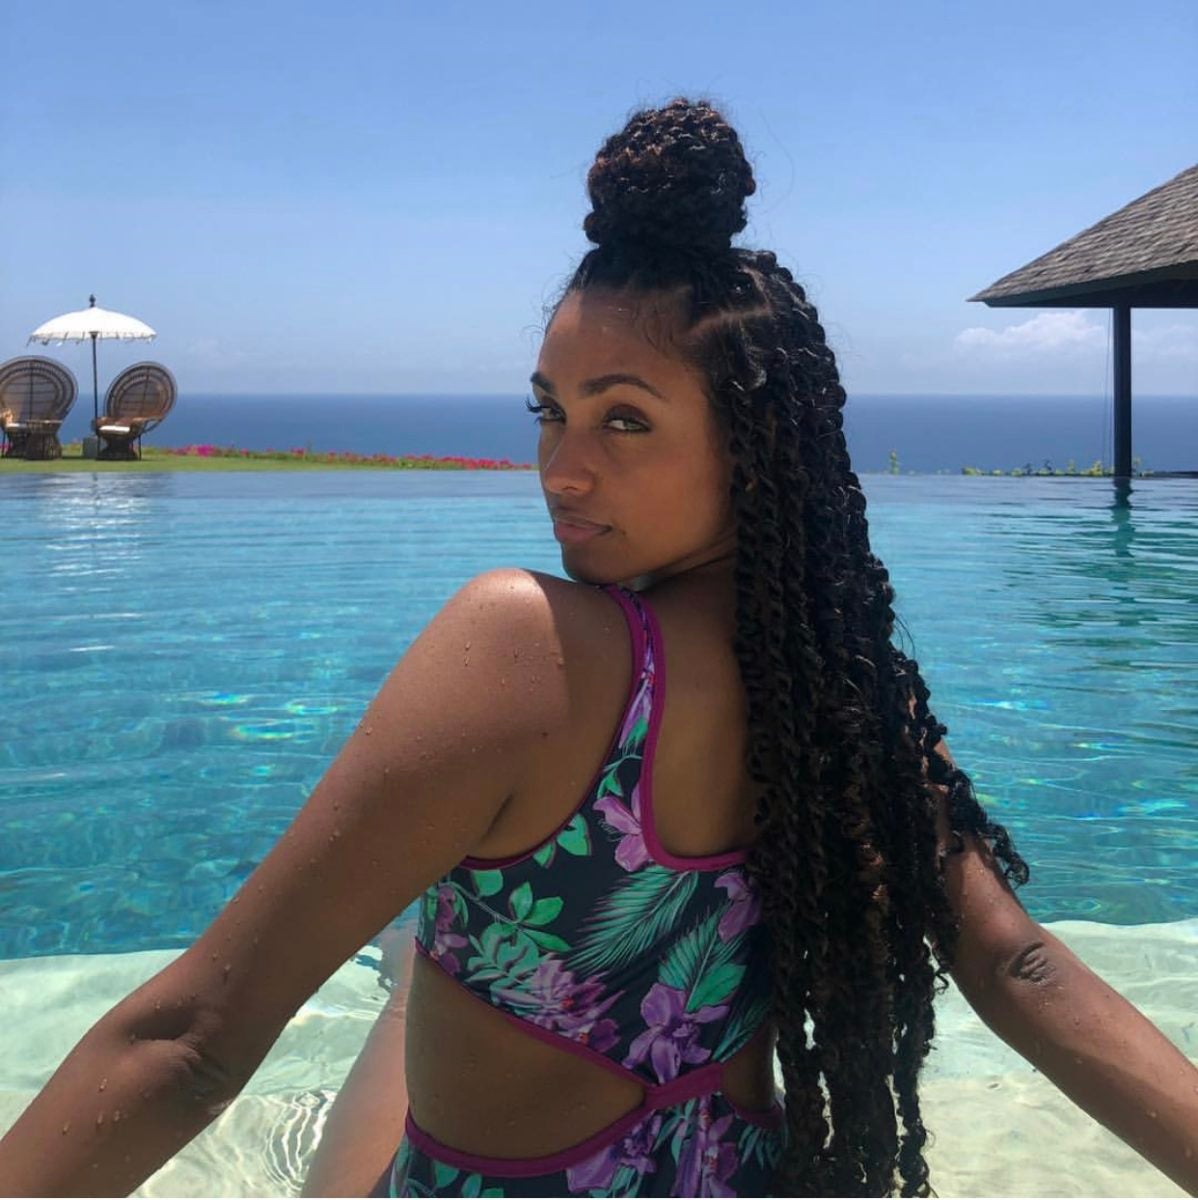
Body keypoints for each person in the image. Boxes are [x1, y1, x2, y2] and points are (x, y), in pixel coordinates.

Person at [1, 98, 1196, 1199]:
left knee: (430, 962)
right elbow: (1019, 969)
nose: (561, 470)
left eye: (623, 419)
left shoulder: (528, 650)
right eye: (550, 410)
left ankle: (421, 951)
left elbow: (192, 1043)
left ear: (751, 445)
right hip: (738, 1176)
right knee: (441, 944)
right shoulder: (840, 698)